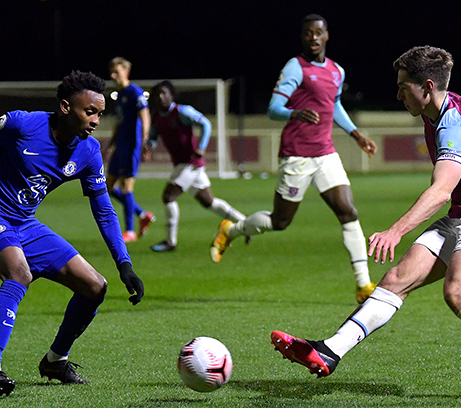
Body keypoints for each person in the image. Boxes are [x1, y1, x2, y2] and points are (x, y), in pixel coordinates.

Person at [271, 46, 461, 402]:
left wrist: (396, 230)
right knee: (396, 280)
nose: (398, 94)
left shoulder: (453, 123)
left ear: (427, 86)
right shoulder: (437, 112)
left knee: (459, 292)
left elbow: (441, 191)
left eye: (403, 87)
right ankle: (329, 351)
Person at [0, 71, 145, 398]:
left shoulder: (89, 151)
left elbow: (104, 209)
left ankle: (56, 360)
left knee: (95, 286)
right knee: (18, 272)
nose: (97, 120)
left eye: (100, 113)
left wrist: (124, 263)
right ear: (66, 107)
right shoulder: (22, 125)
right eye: (90, 112)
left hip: (25, 223)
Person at [209, 14, 378, 303]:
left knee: (348, 212)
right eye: (307, 33)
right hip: (297, 154)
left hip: (325, 153)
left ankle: (363, 286)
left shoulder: (337, 71)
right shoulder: (295, 67)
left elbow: (334, 104)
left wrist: (355, 134)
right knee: (281, 221)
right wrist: (295, 113)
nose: (313, 37)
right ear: (303, 37)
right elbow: (274, 108)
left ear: (326, 36)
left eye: (318, 33)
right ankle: (232, 229)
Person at [144, 80, 247, 252]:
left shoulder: (182, 111)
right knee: (209, 202)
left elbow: (205, 123)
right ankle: (245, 225)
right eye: (157, 95)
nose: (161, 97)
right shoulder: (156, 117)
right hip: (183, 164)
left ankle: (171, 242)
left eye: (164, 93)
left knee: (168, 197)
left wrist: (201, 147)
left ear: (171, 95)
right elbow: (154, 135)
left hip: (190, 163)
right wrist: (149, 146)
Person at [107, 57, 155, 242]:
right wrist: (111, 144)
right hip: (120, 145)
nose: (113, 76)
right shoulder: (119, 95)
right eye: (111, 72)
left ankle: (130, 231)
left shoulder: (135, 92)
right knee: (108, 187)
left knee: (126, 187)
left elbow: (145, 116)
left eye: (116, 72)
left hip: (132, 145)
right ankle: (142, 214)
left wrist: (144, 142)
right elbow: (119, 123)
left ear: (126, 73)